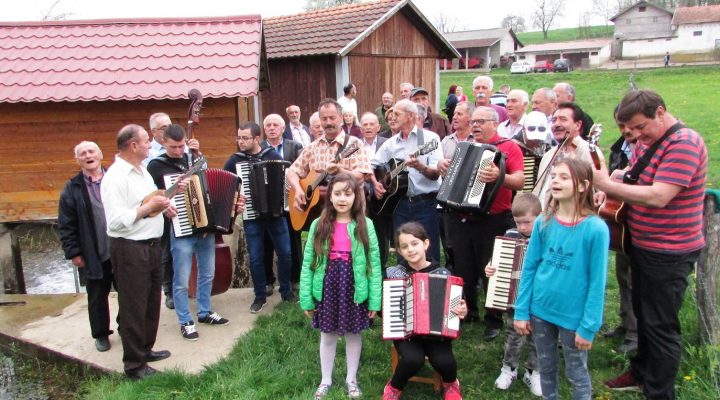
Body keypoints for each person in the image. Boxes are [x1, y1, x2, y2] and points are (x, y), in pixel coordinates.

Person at [594, 89, 707, 398]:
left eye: (641, 127)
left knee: (661, 326)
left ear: (660, 112)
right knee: (645, 316)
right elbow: (637, 175)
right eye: (630, 131)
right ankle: (641, 372)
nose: (636, 135)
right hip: (644, 244)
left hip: (669, 251)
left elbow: (659, 195)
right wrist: (616, 180)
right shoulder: (653, 141)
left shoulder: (684, 143)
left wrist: (604, 183)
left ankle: (659, 391)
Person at [514, 158, 610, 400]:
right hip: (540, 310)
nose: (555, 181)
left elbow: (598, 283)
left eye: (564, 177)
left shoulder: (596, 229)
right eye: (554, 176)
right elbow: (530, 268)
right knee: (545, 367)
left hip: (573, 318)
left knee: (576, 373)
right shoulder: (543, 222)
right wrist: (521, 311)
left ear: (582, 186)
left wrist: (588, 326)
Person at [441, 106, 524, 342]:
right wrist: (442, 168)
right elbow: (453, 176)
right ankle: (467, 313)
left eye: (481, 121)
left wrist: (500, 176)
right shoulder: (464, 147)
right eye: (473, 121)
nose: (475, 125)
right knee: (463, 268)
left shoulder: (509, 147)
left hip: (494, 219)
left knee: (491, 270)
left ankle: (493, 319)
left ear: (494, 123)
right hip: (461, 217)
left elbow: (520, 181)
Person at [299, 173, 382, 399]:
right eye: (337, 194)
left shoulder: (366, 225)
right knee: (328, 334)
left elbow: (374, 264)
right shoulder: (318, 224)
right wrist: (306, 297)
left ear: (356, 197)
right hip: (328, 287)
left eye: (348, 194)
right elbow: (308, 263)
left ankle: (351, 380)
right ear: (330, 197)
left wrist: (375, 300)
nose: (342, 199)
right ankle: (326, 380)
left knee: (354, 335)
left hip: (354, 288)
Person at [101, 124, 173, 380]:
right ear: (133, 145)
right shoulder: (115, 178)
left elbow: (149, 203)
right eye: (145, 141)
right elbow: (115, 222)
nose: (150, 144)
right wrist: (147, 209)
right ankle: (133, 365)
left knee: (152, 301)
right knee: (133, 305)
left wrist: (165, 205)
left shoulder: (142, 171)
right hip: (130, 249)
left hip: (152, 245)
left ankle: (145, 350)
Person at [147, 124, 230, 341]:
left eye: (181, 146)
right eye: (173, 147)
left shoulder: (192, 159)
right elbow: (153, 198)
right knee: (182, 278)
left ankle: (204, 311)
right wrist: (168, 201)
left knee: (207, 272)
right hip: (180, 226)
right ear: (163, 142)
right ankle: (185, 320)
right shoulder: (156, 166)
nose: (177, 151)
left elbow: (207, 184)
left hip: (204, 226)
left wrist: (197, 154)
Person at [382, 222, 468, 400]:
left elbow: (458, 309)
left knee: (445, 361)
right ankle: (394, 387)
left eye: (415, 244)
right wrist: (389, 309)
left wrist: (462, 311)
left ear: (426, 244)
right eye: (404, 246)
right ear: (398, 250)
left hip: (436, 334)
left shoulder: (444, 274)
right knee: (413, 359)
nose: (410, 250)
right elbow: (385, 311)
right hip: (405, 333)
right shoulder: (393, 274)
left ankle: (451, 384)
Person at [224, 122, 295, 313]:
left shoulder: (271, 155)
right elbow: (226, 188)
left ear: (257, 139)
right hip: (251, 214)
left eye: (245, 138)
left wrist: (285, 194)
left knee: (285, 253)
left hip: (275, 213)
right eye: (239, 137)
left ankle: (286, 291)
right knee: (255, 257)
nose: (241, 141)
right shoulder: (234, 161)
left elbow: (285, 178)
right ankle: (259, 295)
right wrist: (237, 198)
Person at [58, 141, 116, 353]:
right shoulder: (72, 188)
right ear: (78, 160)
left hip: (120, 249)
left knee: (128, 292)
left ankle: (126, 327)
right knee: (96, 295)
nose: (88, 155)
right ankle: (101, 335)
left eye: (91, 151)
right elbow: (66, 223)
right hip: (93, 251)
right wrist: (74, 252)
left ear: (100, 154)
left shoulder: (115, 179)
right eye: (83, 154)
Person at [484, 193, 543, 396]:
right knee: (513, 334)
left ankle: (534, 371)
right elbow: (497, 261)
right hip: (515, 299)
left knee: (540, 336)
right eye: (518, 222)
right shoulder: (510, 235)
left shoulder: (548, 236)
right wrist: (491, 267)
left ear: (540, 217)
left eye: (527, 222)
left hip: (541, 299)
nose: (523, 228)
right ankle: (509, 369)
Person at [371, 99, 443, 262]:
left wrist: (420, 167)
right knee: (403, 253)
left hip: (425, 203)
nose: (392, 117)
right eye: (392, 113)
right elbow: (371, 164)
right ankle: (404, 284)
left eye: (397, 113)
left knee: (428, 252)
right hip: (399, 204)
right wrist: (376, 183)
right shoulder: (391, 143)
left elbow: (435, 174)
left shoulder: (430, 139)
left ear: (410, 116)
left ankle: (429, 286)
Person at [287, 99, 371, 214]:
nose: (328, 122)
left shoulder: (355, 144)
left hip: (350, 212)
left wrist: (340, 171)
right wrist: (297, 189)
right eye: (324, 119)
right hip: (318, 214)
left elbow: (360, 177)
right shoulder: (312, 147)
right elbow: (291, 172)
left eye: (332, 118)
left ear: (341, 118)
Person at [601, 109, 638, 355]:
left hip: (641, 223)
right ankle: (626, 323)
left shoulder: (648, 146)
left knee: (636, 281)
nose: (624, 130)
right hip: (622, 220)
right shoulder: (621, 145)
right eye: (620, 124)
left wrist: (616, 178)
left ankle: (637, 334)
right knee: (623, 275)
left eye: (628, 124)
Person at [262, 114, 304, 295]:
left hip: (290, 201)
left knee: (293, 242)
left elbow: (304, 171)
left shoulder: (294, 146)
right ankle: (268, 281)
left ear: (282, 128)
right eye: (268, 125)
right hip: (266, 202)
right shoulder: (258, 149)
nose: (272, 128)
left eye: (275, 125)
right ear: (264, 130)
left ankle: (295, 279)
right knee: (266, 243)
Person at [533, 102, 594, 207]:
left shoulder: (589, 152)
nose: (556, 124)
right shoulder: (548, 155)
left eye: (563, 119)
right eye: (554, 120)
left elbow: (594, 193)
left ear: (578, 125)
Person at [144, 112, 175, 309]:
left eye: (169, 125)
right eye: (163, 127)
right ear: (153, 132)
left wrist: (197, 154)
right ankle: (168, 290)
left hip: (182, 207)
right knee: (166, 251)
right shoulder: (149, 157)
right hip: (160, 209)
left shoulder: (183, 148)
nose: (168, 130)